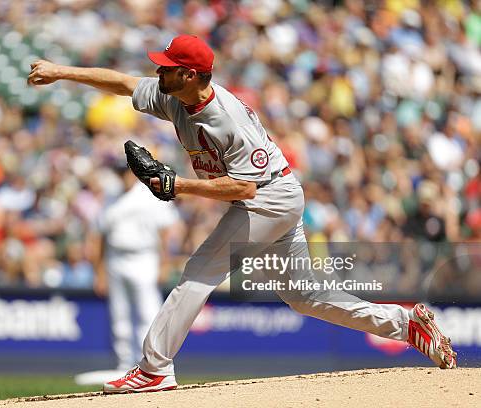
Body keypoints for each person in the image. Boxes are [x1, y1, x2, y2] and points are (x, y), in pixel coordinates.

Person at [28, 34, 457, 394]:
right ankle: (407, 324)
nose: (158, 71)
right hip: (266, 198)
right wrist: (62, 72)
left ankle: (155, 368)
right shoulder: (172, 96)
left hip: (271, 197)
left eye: (167, 66)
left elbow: (245, 187)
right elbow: (122, 83)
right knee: (304, 296)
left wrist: (178, 186)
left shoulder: (225, 117)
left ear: (190, 74)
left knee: (200, 270)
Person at [74, 163, 179, 385]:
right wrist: (99, 271)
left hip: (144, 256)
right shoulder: (111, 197)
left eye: (127, 172)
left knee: (147, 312)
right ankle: (123, 364)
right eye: (121, 172)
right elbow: (99, 235)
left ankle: (149, 364)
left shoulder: (149, 194)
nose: (124, 176)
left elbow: (165, 231)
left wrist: (165, 263)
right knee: (119, 314)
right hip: (115, 258)